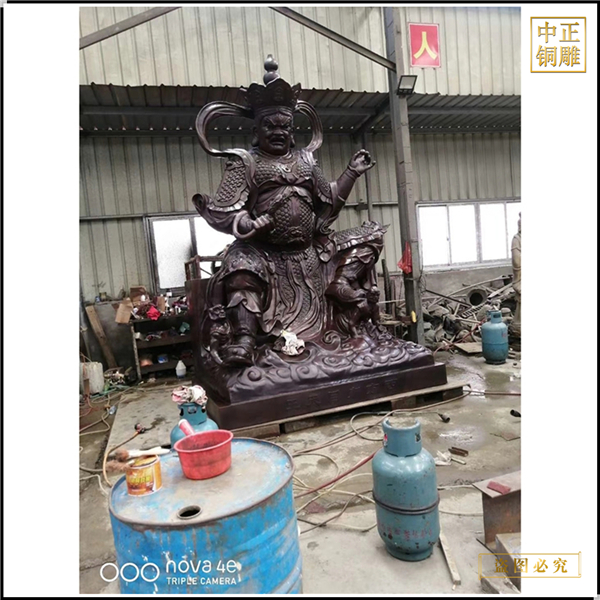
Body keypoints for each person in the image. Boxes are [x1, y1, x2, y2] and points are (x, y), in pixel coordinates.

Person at [193, 57, 377, 366]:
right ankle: (245, 338)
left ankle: (347, 309)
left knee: (370, 238)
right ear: (257, 128)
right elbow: (224, 210)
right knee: (240, 268)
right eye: (270, 125)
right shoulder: (245, 163)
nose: (278, 131)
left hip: (308, 251)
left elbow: (329, 201)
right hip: (262, 252)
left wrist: (352, 172)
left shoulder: (306, 161)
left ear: (292, 129)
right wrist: (248, 223)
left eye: (285, 126)